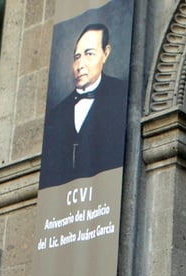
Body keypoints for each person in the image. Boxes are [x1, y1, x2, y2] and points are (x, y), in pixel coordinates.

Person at [39, 22, 128, 189]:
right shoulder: (56, 114)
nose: (80, 66)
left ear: (105, 53)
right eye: (77, 57)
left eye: (89, 54)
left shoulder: (122, 95)